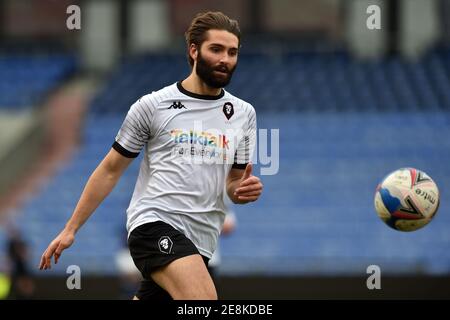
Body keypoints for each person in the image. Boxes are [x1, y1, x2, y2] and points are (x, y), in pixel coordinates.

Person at [39, 11, 263, 300]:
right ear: (194, 51)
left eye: (232, 52)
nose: (225, 59)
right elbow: (110, 169)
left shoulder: (244, 114)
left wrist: (241, 190)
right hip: (154, 225)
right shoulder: (153, 106)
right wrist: (71, 229)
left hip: (202, 240)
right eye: (216, 49)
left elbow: (233, 182)